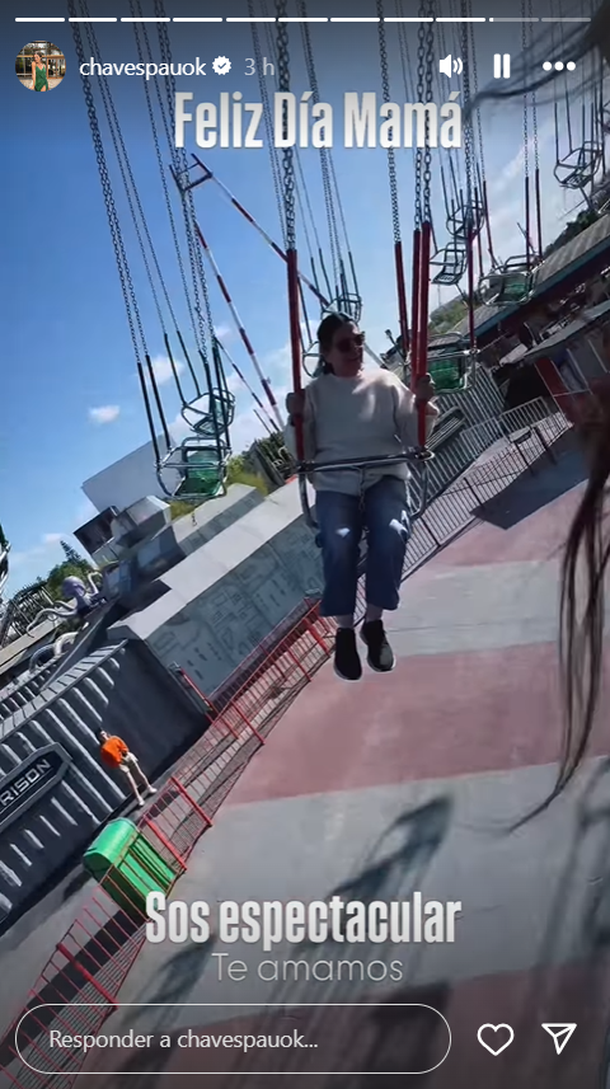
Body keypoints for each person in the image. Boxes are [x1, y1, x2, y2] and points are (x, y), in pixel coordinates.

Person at [284, 313, 438, 682]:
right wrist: (296, 419)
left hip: (384, 475)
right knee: (339, 541)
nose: (355, 349)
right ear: (326, 353)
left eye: (359, 340)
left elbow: (415, 437)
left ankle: (373, 623)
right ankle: (344, 632)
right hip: (336, 482)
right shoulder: (314, 395)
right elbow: (302, 453)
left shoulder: (384, 381)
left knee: (392, 531)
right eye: (344, 344)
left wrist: (422, 405)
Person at [97, 729, 156, 808]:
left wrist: (124, 751)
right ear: (100, 739)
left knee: (138, 772)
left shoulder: (114, 738)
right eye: (101, 736)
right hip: (120, 763)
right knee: (130, 780)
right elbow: (107, 760)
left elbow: (123, 745)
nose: (103, 736)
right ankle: (138, 798)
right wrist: (116, 763)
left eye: (103, 734)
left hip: (127, 756)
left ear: (106, 733)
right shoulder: (103, 749)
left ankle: (149, 787)